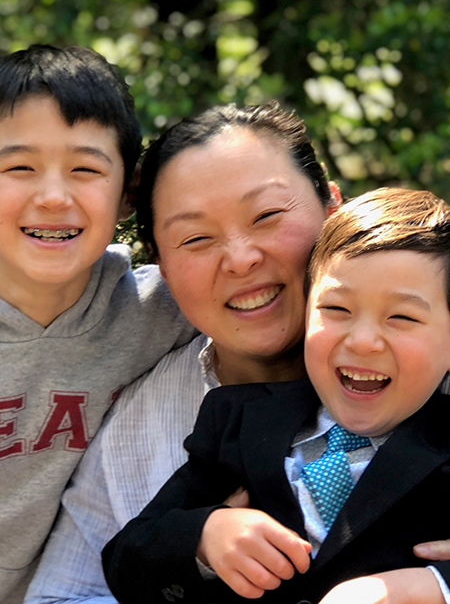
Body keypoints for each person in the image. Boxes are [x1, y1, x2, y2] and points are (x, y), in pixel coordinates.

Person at [24, 105, 450, 604]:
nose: (241, 258)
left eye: (268, 215)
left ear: (334, 209)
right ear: (159, 264)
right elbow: (66, 594)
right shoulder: (146, 425)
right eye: (196, 238)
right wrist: (201, 541)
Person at [102, 187, 450, 604]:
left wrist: (436, 587)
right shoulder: (237, 418)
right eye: (336, 310)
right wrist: (204, 538)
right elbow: (125, 559)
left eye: (402, 317)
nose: (362, 341)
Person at [0, 44, 194, 604]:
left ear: (130, 192)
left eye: (85, 169)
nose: (54, 196)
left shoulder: (161, 310)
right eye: (19, 167)